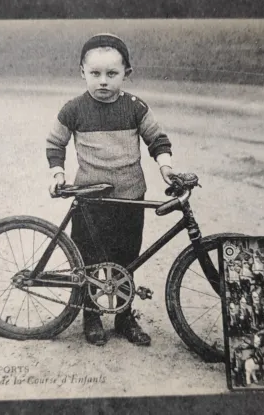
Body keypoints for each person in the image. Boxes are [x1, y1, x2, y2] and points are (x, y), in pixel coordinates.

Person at [46, 33, 176, 346]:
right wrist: (57, 172)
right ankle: (91, 315)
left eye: (111, 74)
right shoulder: (74, 109)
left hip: (130, 199)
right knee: (89, 257)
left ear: (126, 74)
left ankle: (124, 316)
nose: (103, 81)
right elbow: (55, 142)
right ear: (82, 73)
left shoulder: (135, 107)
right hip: (91, 199)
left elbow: (157, 139)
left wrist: (166, 167)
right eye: (95, 74)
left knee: (126, 259)